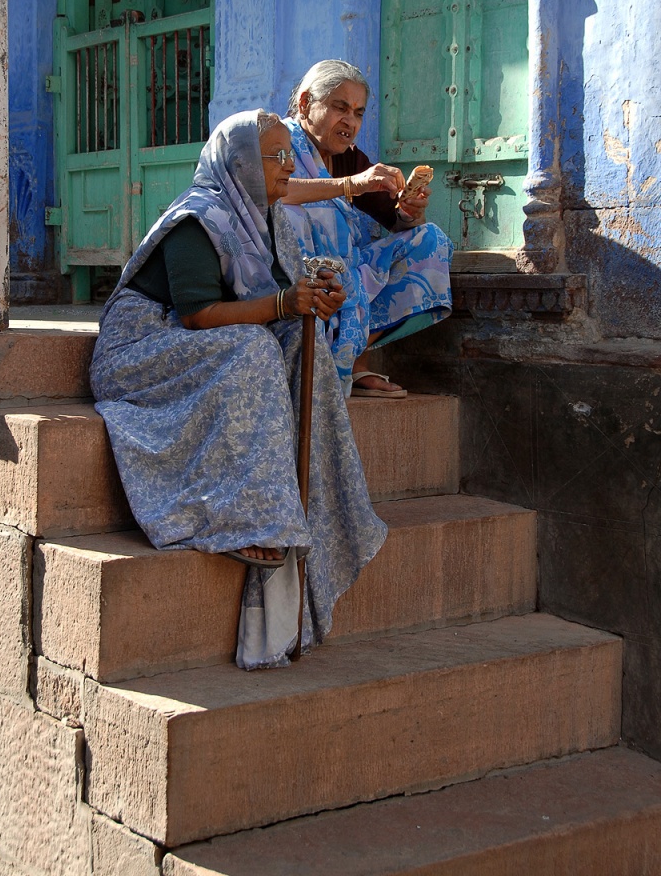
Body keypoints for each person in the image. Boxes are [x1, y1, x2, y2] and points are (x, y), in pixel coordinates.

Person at [90, 109, 387, 670]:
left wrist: (316, 299)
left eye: (285, 155)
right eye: (273, 157)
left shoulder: (265, 216)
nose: (284, 166)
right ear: (241, 163)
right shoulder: (198, 219)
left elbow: (282, 300)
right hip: (142, 349)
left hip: (199, 338)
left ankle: (321, 512)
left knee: (306, 346)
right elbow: (200, 314)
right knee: (254, 348)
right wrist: (283, 304)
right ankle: (245, 515)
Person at [282, 60, 453, 398]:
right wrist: (349, 185)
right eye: (340, 108)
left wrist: (408, 211)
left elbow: (399, 225)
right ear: (305, 104)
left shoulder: (347, 156)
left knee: (429, 240)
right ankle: (332, 361)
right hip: (291, 277)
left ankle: (351, 357)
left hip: (342, 275)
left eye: (358, 112)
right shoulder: (279, 142)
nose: (350, 122)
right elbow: (276, 191)